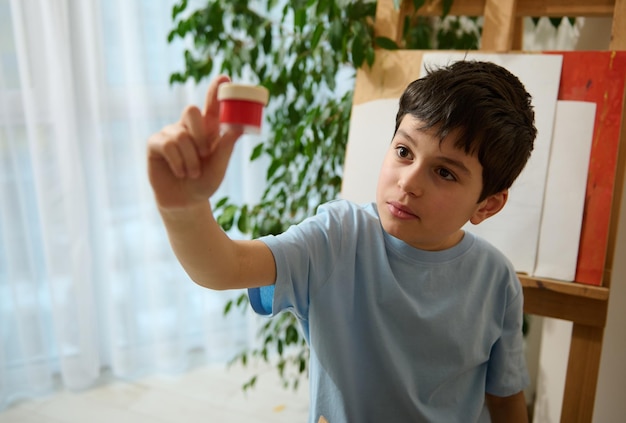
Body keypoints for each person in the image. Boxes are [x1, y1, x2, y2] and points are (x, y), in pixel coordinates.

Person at [147, 60, 536, 423]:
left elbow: (505, 399)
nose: (409, 182)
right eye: (404, 151)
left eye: (445, 173)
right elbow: (222, 267)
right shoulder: (337, 236)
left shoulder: (496, 279)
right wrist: (185, 208)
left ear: (486, 205)